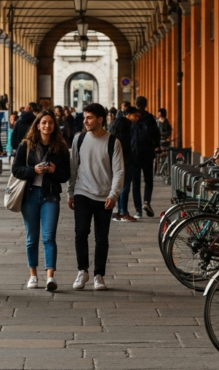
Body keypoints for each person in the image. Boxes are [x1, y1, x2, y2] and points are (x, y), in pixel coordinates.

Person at [68, 103, 125, 291]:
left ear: (100, 119)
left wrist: (113, 194)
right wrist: (70, 192)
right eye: (84, 117)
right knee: (81, 233)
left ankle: (98, 275)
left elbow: (118, 171)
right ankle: (82, 271)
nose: (85, 121)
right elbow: (73, 168)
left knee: (102, 238)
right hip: (82, 192)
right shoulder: (79, 139)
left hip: (104, 197)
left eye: (89, 117)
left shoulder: (113, 142)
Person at [12, 110, 71, 291]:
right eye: (44, 122)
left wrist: (54, 170)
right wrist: (33, 170)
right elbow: (16, 170)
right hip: (30, 196)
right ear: (37, 125)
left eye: (50, 123)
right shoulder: (26, 145)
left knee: (49, 237)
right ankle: (33, 275)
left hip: (50, 196)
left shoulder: (60, 148)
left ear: (55, 126)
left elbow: (66, 175)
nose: (47, 126)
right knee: (32, 238)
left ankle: (50, 277)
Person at [132, 96, 161, 217]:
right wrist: (156, 146)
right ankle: (146, 201)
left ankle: (138, 210)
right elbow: (156, 135)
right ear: (146, 104)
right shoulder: (150, 118)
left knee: (135, 182)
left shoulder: (132, 117)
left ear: (135, 104)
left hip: (134, 153)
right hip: (147, 153)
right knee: (148, 180)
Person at [109, 107, 136, 221]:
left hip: (115, 160)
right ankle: (123, 212)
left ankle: (116, 212)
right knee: (125, 186)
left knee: (117, 186)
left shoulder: (114, 127)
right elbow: (129, 144)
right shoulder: (126, 128)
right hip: (126, 160)